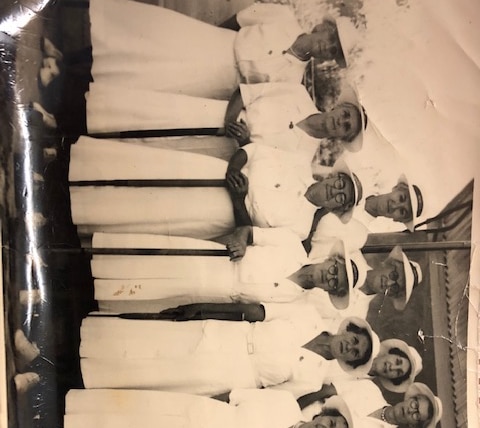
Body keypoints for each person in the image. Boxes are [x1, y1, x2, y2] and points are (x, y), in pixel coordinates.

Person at [69, 137, 362, 240]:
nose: (335, 190)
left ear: (336, 208)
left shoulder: (299, 228)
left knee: (151, 212)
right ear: (331, 176)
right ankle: (74, 170)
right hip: (214, 173)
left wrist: (239, 200)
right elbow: (254, 150)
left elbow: (251, 234)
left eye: (341, 197)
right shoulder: (297, 163)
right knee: (147, 169)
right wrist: (234, 168)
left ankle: (76, 213)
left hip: (217, 213)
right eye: (340, 183)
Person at [79, 311, 378, 397]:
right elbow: (255, 311)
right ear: (348, 330)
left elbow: (266, 396)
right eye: (354, 340)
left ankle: (88, 381)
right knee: (155, 344)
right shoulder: (307, 316)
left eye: (355, 353)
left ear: (349, 362)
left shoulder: (312, 380)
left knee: (161, 376)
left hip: (232, 376)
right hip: (227, 334)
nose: (349, 347)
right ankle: (84, 346)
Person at [88, 232, 363, 314]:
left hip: (215, 292)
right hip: (212, 260)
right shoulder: (291, 244)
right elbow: (247, 231)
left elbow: (253, 310)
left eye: (335, 283)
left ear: (331, 292)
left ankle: (91, 292)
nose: (329, 277)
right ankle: (90, 262)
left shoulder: (296, 302)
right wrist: (241, 243)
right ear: (330, 260)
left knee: (156, 293)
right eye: (334, 270)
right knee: (151, 262)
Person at [64, 388, 355, 428]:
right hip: (195, 413)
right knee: (131, 417)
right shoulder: (284, 402)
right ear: (322, 416)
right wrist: (194, 404)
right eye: (330, 425)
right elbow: (232, 394)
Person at [298, 379, 442, 428]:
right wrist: (294, 410)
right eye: (415, 404)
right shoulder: (370, 389)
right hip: (296, 414)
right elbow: (324, 391)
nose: (411, 411)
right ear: (410, 398)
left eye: (417, 415)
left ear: (413, 425)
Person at [360, 245, 423, 310]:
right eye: (394, 275)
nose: (388, 283)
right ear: (388, 263)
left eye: (395, 288)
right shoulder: (353, 257)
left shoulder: (358, 313)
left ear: (392, 295)